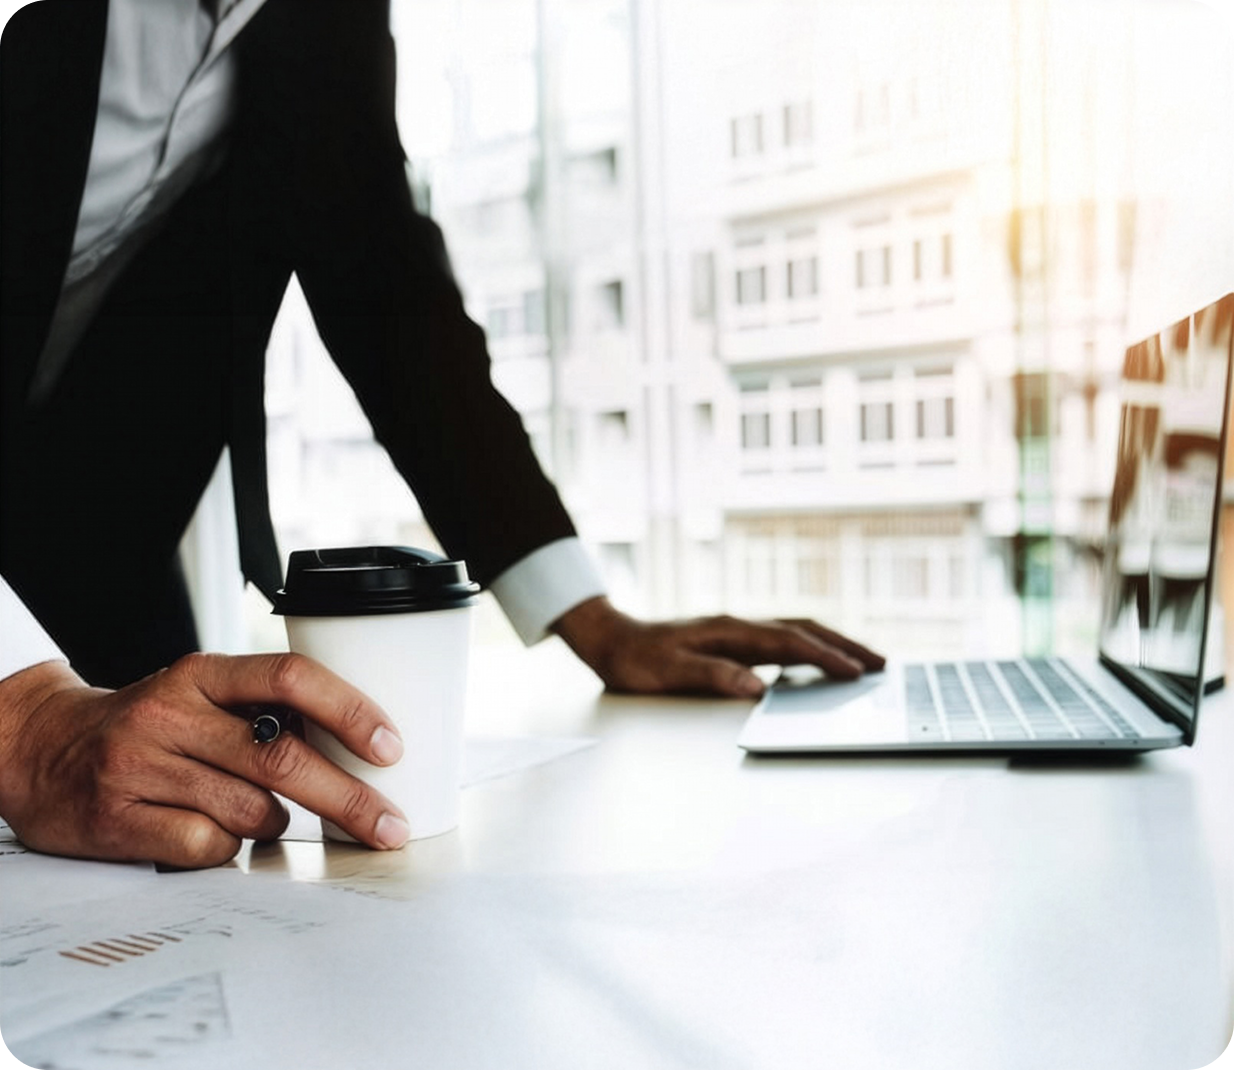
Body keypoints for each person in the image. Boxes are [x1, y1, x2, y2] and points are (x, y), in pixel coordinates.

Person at [0, 0, 883, 869]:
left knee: (156, 869)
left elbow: (384, 281)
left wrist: (593, 620)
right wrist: (23, 721)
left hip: (98, 545)